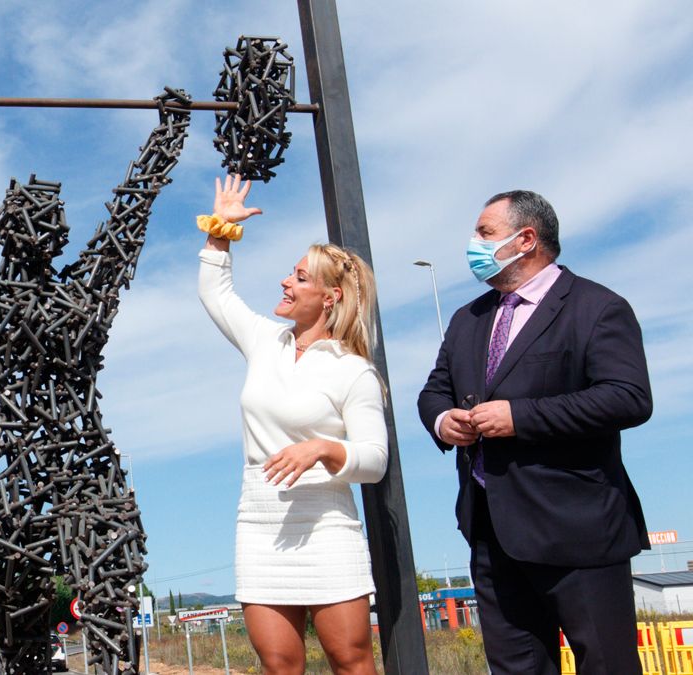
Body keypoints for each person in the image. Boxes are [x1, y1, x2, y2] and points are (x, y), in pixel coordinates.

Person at [417, 190, 651, 675]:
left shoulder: (596, 307)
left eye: (484, 233)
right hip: (490, 531)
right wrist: (445, 421)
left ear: (526, 239)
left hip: (579, 529)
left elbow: (628, 397)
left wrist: (520, 417)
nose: (472, 244)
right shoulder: (468, 319)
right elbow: (433, 393)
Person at [197, 176, 388, 675]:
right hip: (259, 521)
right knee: (279, 664)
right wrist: (220, 233)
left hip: (326, 523)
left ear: (330, 297)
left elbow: (375, 459)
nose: (286, 281)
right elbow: (215, 293)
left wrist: (324, 448)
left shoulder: (353, 369)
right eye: (292, 273)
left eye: (301, 277)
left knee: (351, 660)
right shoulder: (266, 341)